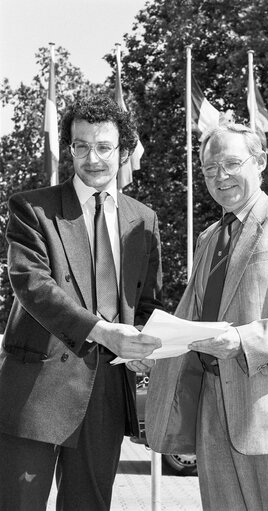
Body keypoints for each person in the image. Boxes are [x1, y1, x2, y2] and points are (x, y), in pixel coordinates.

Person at [145, 122, 268, 510]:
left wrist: (241, 340)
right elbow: (195, 318)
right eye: (209, 168)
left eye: (232, 163)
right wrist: (152, 349)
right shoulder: (207, 239)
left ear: (261, 162)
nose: (221, 176)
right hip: (213, 410)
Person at [0, 93, 162, 511]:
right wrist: (103, 331)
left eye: (104, 146)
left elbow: (146, 301)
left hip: (106, 392)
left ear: (123, 151)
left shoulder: (144, 219)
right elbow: (31, 284)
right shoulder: (31, 208)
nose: (93, 158)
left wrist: (146, 344)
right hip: (36, 390)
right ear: (69, 148)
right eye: (81, 145)